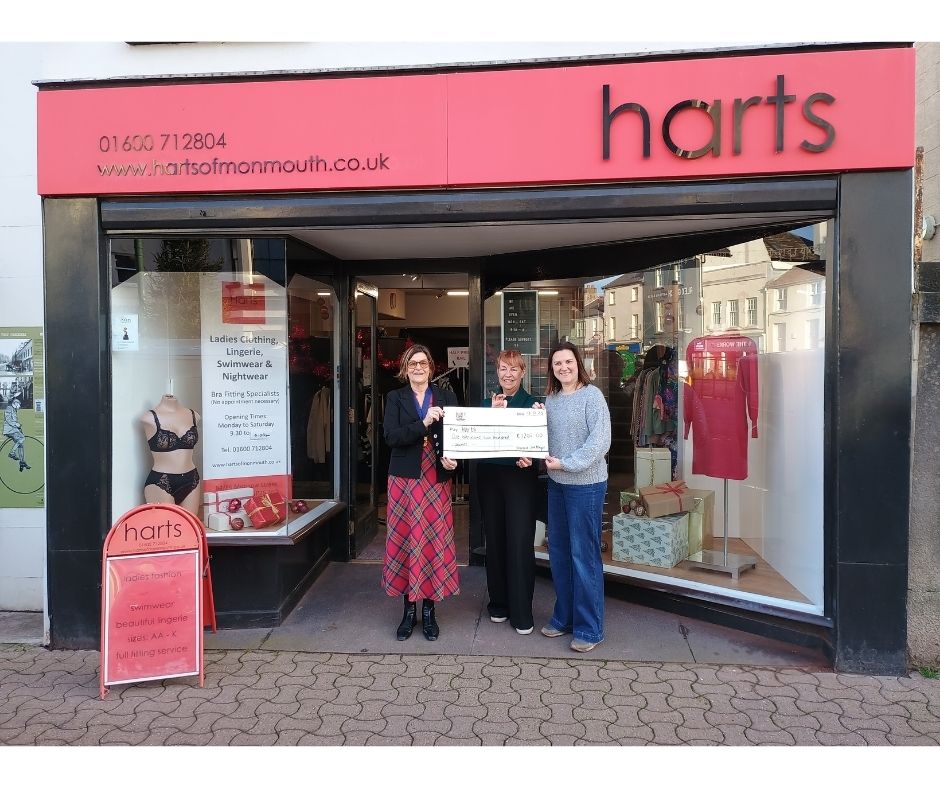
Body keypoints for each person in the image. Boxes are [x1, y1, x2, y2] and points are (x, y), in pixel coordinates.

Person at [382, 344, 459, 642]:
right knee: (407, 541)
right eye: (412, 363)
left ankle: (429, 610)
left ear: (430, 367)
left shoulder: (447, 396)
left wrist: (453, 459)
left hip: (435, 477)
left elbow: (456, 436)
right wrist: (423, 423)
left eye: (423, 363)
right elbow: (391, 437)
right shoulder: (395, 397)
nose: (418, 368)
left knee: (431, 541)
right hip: (404, 479)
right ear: (405, 368)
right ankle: (408, 611)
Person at [538, 341, 611, 653]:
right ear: (552, 369)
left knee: (584, 555)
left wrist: (566, 463)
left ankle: (589, 628)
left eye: (568, 361)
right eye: (557, 363)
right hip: (557, 484)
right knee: (559, 553)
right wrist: (534, 420)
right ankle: (564, 617)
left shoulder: (592, 396)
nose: (563, 367)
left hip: (586, 485)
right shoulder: (551, 399)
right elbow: (544, 437)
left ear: (578, 364)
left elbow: (600, 442)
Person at [478, 349, 539, 635]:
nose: (508, 374)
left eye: (514, 369)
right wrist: (490, 416)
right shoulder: (485, 404)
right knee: (495, 539)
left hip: (520, 479)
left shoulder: (533, 405)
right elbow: (472, 440)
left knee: (519, 541)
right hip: (489, 477)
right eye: (503, 368)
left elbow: (541, 445)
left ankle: (522, 612)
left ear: (523, 372)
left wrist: (533, 459)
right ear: (497, 372)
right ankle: (498, 604)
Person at [140, 394, 202, 516]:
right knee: (166, 526)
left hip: (191, 478)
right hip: (161, 481)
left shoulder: (194, 415)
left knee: (189, 525)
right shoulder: (149, 418)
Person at [3, 397, 29, 472]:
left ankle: (22, 462)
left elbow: (14, 421)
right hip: (9, 430)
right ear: (15, 403)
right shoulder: (9, 408)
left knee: (20, 444)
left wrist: (19, 428)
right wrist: (16, 424)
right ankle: (12, 453)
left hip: (13, 429)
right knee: (22, 438)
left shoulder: (14, 410)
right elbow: (8, 420)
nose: (19, 406)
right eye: (19, 404)